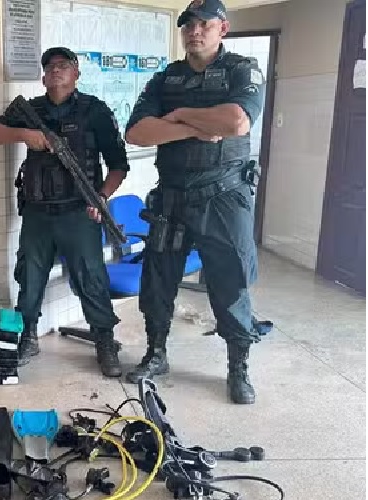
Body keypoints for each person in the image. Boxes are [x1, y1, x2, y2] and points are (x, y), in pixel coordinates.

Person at [124, 0, 267, 405]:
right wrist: (196, 126)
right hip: (172, 199)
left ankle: (238, 367)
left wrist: (178, 115)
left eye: (204, 24)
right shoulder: (165, 78)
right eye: (188, 25)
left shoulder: (242, 70)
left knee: (229, 284)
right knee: (158, 281)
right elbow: (137, 133)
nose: (194, 31)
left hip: (224, 198)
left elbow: (236, 122)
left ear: (223, 29)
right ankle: (156, 354)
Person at [0, 47, 130, 376]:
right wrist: (23, 134)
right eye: (50, 66)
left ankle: (104, 339)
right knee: (29, 277)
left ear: (77, 73)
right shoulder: (30, 111)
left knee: (91, 277)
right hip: (37, 214)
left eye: (64, 65)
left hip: (79, 212)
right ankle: (27, 336)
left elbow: (119, 165)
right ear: (43, 77)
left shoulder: (95, 111)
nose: (56, 70)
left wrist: (101, 197)